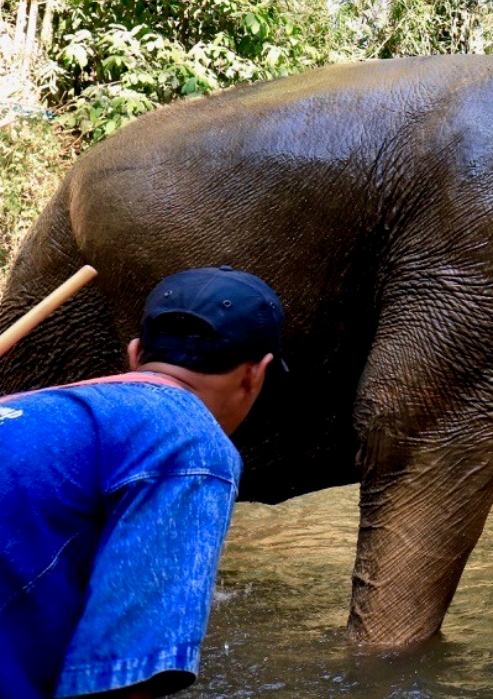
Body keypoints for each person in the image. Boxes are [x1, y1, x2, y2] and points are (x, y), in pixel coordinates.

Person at [0, 266, 284, 699]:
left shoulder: (27, 405)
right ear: (255, 374)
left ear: (135, 354)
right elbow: (125, 679)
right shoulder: (188, 444)